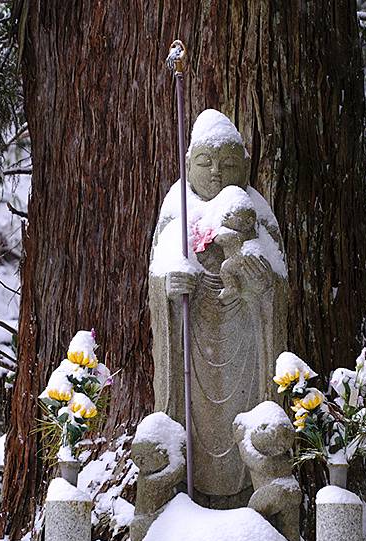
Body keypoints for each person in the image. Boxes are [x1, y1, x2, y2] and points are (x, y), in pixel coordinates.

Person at [149, 109, 288, 508]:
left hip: (244, 340)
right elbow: (157, 280)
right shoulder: (176, 210)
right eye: (205, 163)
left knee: (250, 415)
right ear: (188, 162)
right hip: (191, 343)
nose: (215, 174)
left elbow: (277, 284)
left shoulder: (257, 212)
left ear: (244, 166)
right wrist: (168, 288)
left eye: (228, 165)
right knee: (189, 418)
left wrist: (260, 284)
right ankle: (184, 499)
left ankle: (255, 491)